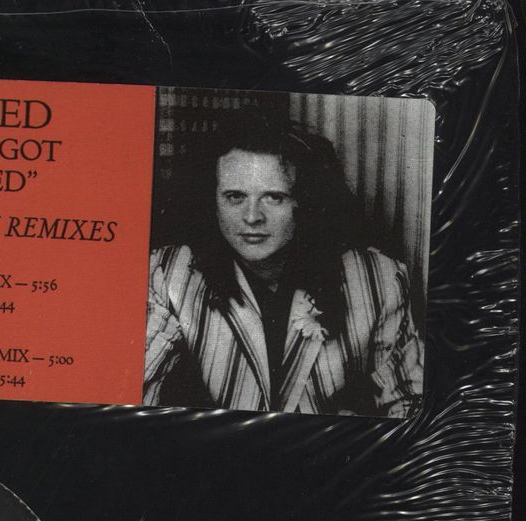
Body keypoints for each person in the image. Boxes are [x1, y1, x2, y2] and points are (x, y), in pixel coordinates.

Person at [144, 111, 424, 418]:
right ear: (212, 201)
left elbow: (409, 408)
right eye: (235, 197)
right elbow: (137, 397)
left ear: (304, 201)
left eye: (274, 197)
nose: (252, 217)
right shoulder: (167, 274)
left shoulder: (378, 279)